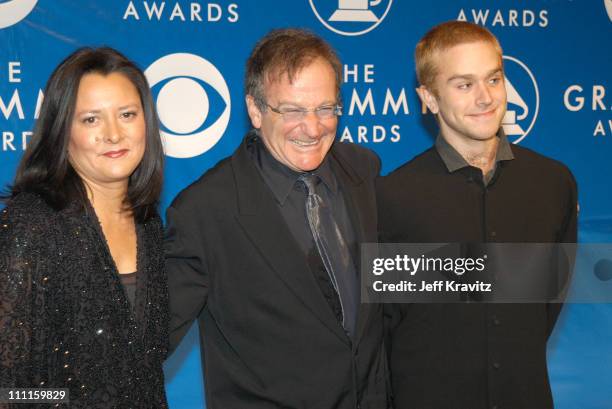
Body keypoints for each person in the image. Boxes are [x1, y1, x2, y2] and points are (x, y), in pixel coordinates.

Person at [165, 28, 389, 408]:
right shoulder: (205, 210)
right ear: (255, 109)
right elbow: (144, 339)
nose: (313, 127)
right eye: (293, 110)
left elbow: (401, 291)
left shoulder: (362, 171)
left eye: (325, 108)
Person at [377, 21, 577, 409]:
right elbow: (385, 330)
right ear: (429, 98)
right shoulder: (392, 198)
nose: (485, 98)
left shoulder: (554, 183)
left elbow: (547, 306)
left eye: (494, 79)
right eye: (464, 85)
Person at [0, 47, 168, 407]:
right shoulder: (32, 225)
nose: (113, 134)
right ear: (62, 130)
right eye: (91, 119)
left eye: (127, 114)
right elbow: (8, 388)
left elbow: (146, 370)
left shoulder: (148, 222)